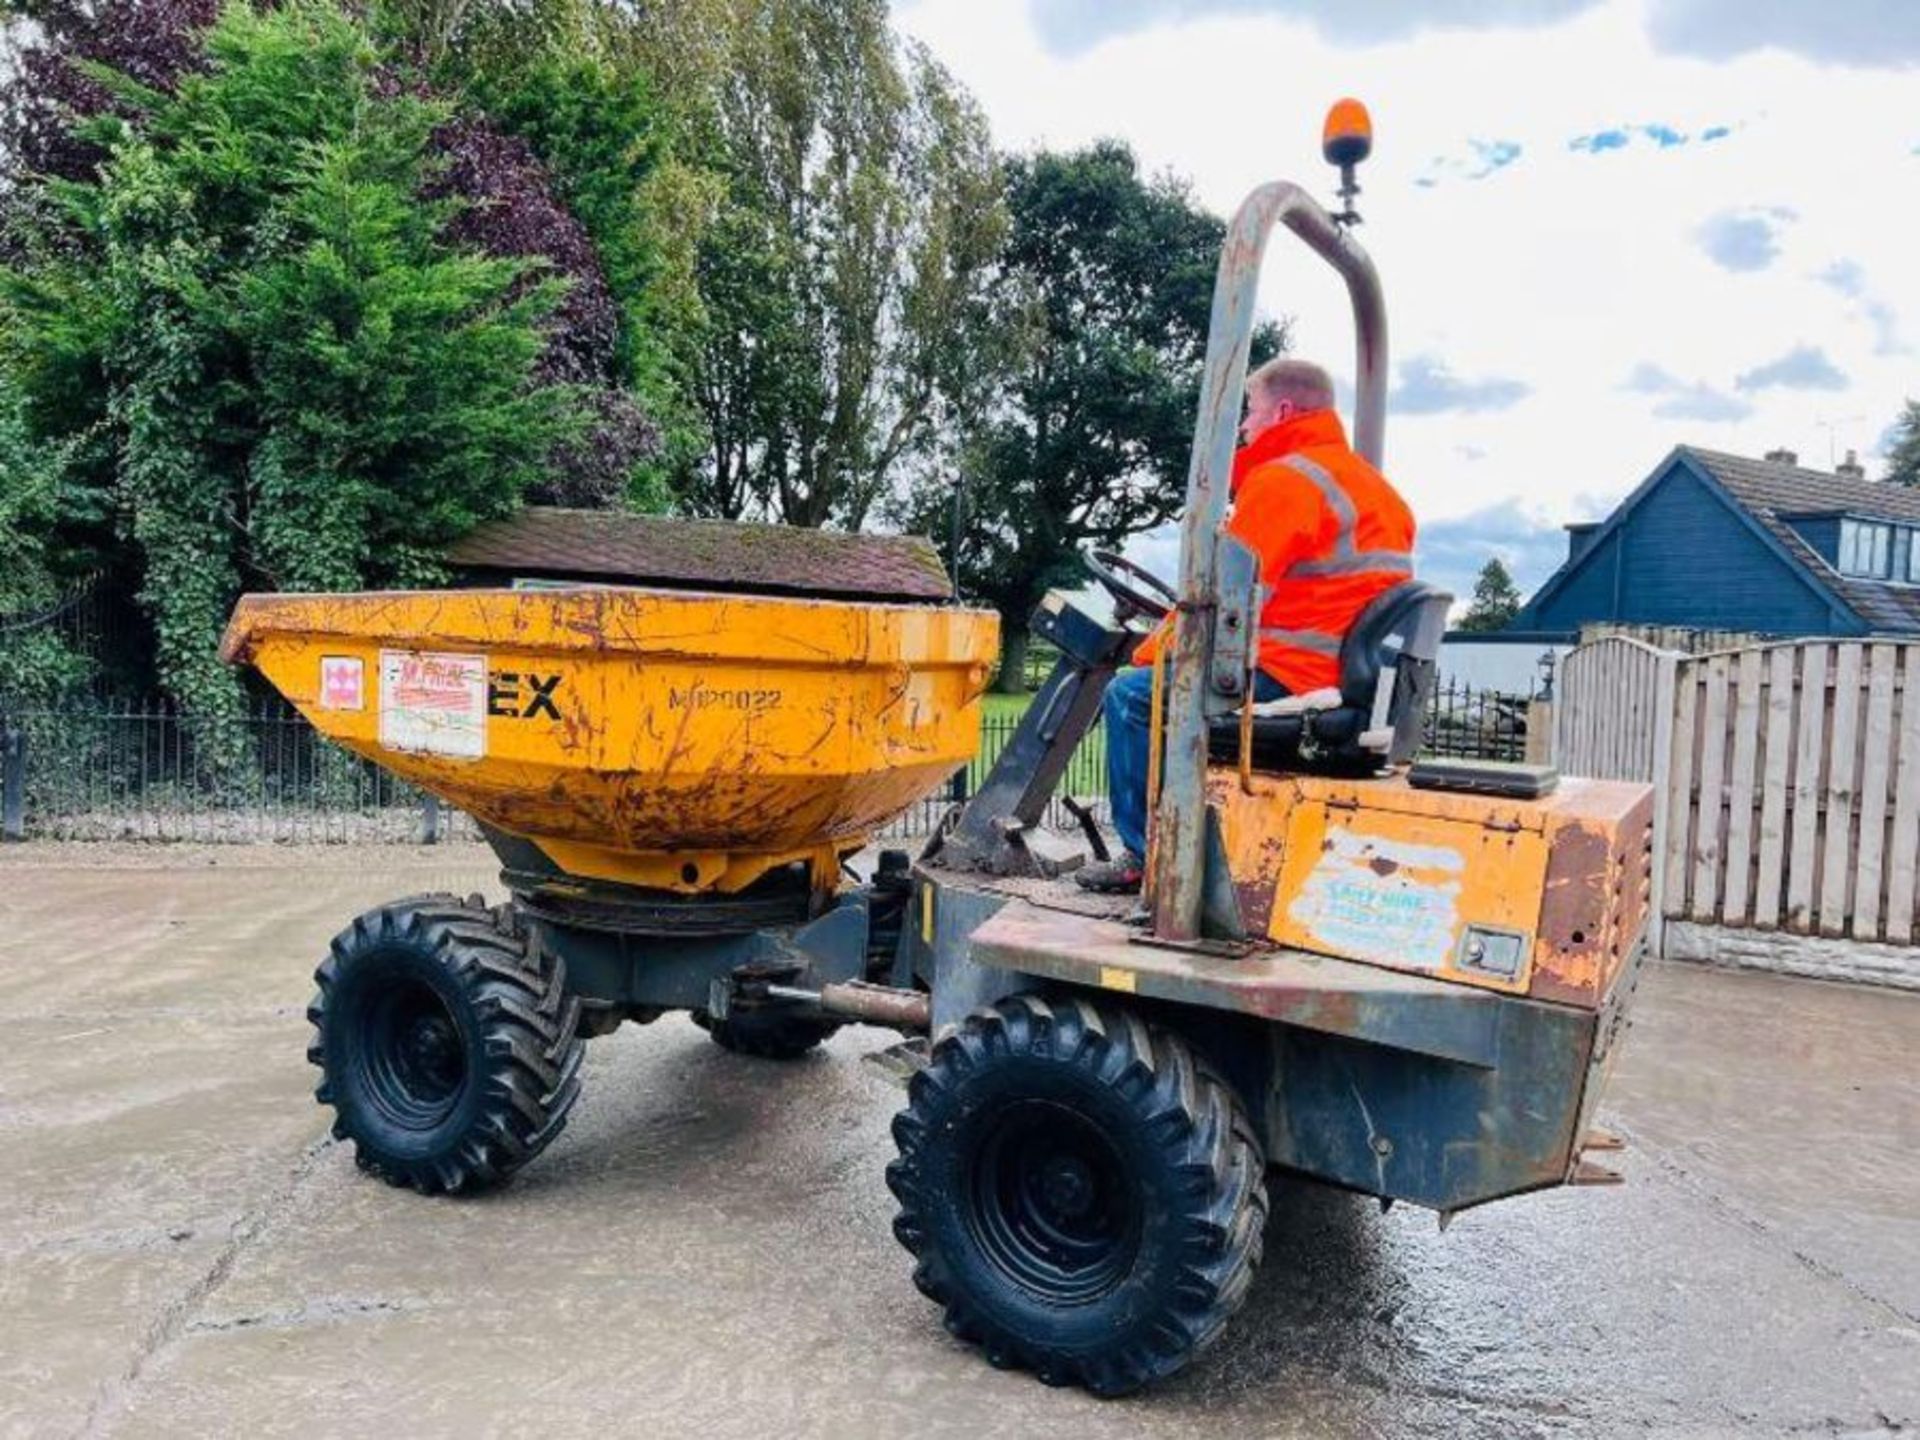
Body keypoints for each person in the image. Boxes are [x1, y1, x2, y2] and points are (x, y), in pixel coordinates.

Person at [1077, 357, 1417, 893]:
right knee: (1155, 689)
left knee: (1131, 696)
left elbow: (1220, 598)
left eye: (1250, 412)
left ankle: (1147, 859)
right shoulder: (1377, 492)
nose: (1242, 426)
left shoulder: (1286, 482)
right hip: (1346, 679)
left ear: (1282, 411)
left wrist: (1149, 653)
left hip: (1292, 675)